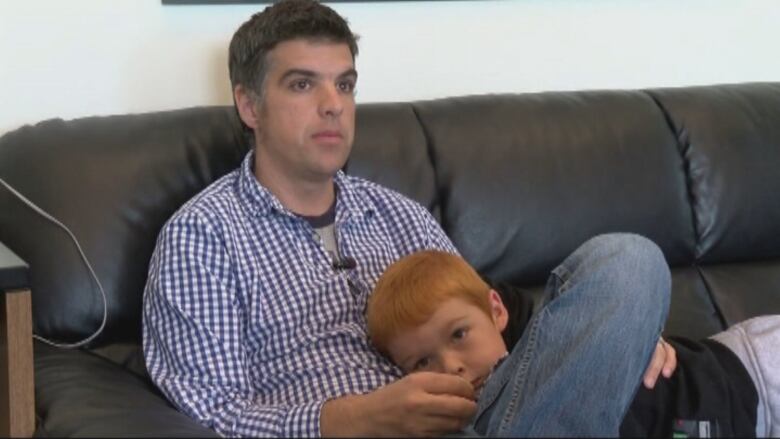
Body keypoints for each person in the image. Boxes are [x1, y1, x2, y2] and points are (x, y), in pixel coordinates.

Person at [141, 0, 676, 436]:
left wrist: (606, 335)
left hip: (488, 415)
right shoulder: (203, 237)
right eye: (303, 85)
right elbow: (210, 414)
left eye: (345, 84)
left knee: (626, 260)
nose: (333, 105)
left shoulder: (398, 214)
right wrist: (356, 419)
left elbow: (486, 326)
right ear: (249, 105)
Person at [367, 249, 779, 437]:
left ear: (497, 311)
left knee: (627, 255)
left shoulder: (541, 344)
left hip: (747, 373)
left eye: (459, 335)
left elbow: (621, 274)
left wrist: (629, 326)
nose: (451, 366)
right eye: (421, 363)